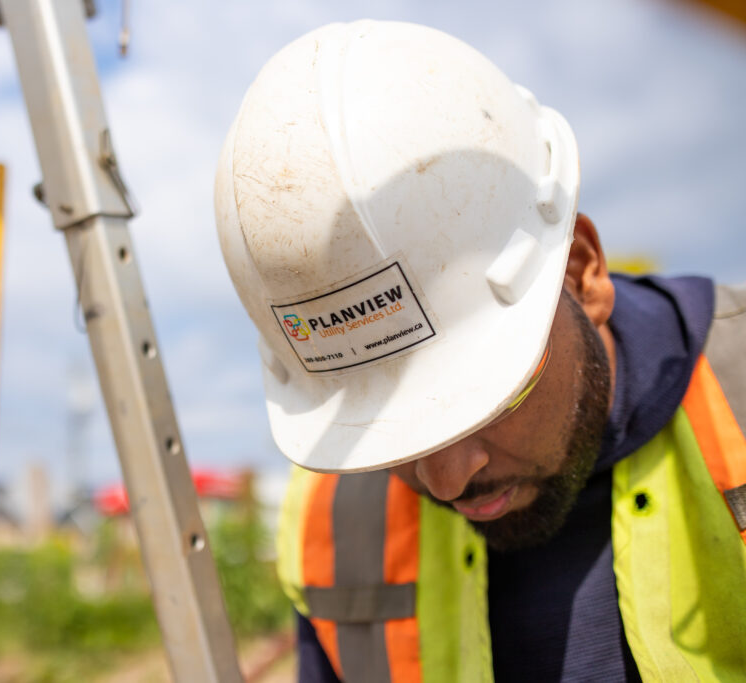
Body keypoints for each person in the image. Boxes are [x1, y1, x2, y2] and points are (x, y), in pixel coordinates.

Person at [213, 20, 746, 682]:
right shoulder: (337, 521)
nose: (446, 479)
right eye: (389, 434)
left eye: (485, 399)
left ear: (582, 272)